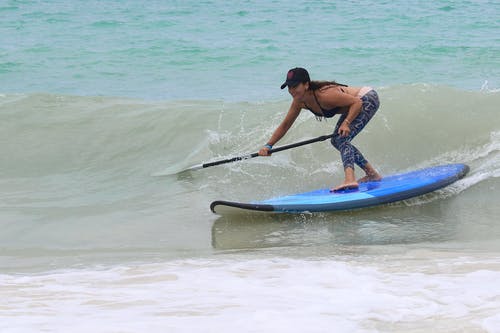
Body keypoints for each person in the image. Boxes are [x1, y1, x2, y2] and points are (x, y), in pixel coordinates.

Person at [258, 67, 381, 192]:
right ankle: (372, 174)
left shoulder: (324, 95)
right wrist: (268, 146)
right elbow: (285, 125)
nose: (291, 90)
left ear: (306, 85)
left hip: (366, 99)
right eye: (289, 87)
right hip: (355, 104)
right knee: (336, 141)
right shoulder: (299, 102)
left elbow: (357, 102)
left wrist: (346, 123)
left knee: (342, 139)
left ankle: (350, 179)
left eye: (295, 86)